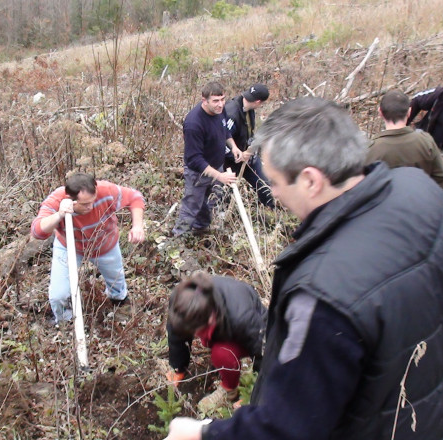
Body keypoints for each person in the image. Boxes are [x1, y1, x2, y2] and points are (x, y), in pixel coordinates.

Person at [165, 98, 443, 440]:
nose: (274, 193)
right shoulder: (425, 194)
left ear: (310, 180)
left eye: (275, 181)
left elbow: (287, 428)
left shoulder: (323, 293)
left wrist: (201, 433)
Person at [30, 173, 145, 324]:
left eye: (93, 201)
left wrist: (137, 226)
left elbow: (135, 197)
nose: (90, 207)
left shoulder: (106, 190)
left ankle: (119, 304)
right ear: (71, 199)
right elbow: (37, 231)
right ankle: (65, 323)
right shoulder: (58, 199)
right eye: (84, 204)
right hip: (69, 246)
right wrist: (59, 214)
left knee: (117, 286)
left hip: (104, 243)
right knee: (58, 295)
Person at [166, 271, 266, 415]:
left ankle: (230, 389)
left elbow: (263, 354)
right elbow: (176, 333)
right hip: (222, 322)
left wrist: (255, 395)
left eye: (197, 331)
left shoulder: (243, 318)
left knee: (222, 353)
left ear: (210, 318)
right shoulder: (181, 300)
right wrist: (178, 367)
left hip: (250, 329)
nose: (195, 336)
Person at [172, 82, 243, 236]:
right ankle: (177, 239)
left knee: (210, 201)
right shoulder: (194, 123)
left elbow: (224, 131)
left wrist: (234, 146)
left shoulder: (220, 111)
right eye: (215, 101)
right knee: (192, 206)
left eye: (223, 99)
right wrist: (220, 176)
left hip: (217, 167)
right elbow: (194, 159)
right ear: (204, 100)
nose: (220, 104)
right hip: (198, 173)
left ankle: (201, 229)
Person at [366, 90, 443, 184]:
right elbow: (440, 176)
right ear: (409, 112)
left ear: (380, 112)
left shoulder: (371, 150)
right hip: (419, 196)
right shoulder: (426, 141)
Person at [222, 83, 275, 208]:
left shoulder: (249, 110)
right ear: (258, 102)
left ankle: (271, 211)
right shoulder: (232, 114)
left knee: (265, 187)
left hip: (249, 159)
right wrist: (234, 155)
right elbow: (220, 140)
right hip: (230, 163)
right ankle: (224, 215)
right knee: (225, 195)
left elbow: (248, 132)